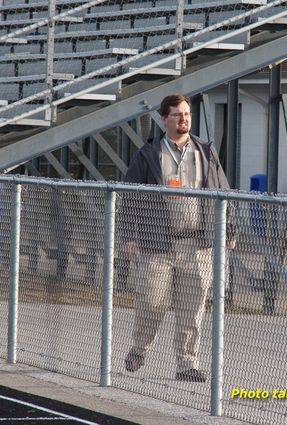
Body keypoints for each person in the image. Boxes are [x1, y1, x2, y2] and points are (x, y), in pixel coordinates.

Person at [122, 93, 235, 383]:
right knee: (151, 303)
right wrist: (129, 236)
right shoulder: (149, 154)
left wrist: (229, 230)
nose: (184, 119)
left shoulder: (205, 152)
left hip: (197, 245)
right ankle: (140, 349)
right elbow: (129, 198)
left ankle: (187, 364)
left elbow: (224, 191)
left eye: (187, 114)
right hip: (157, 243)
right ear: (164, 119)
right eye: (177, 115)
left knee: (191, 310)